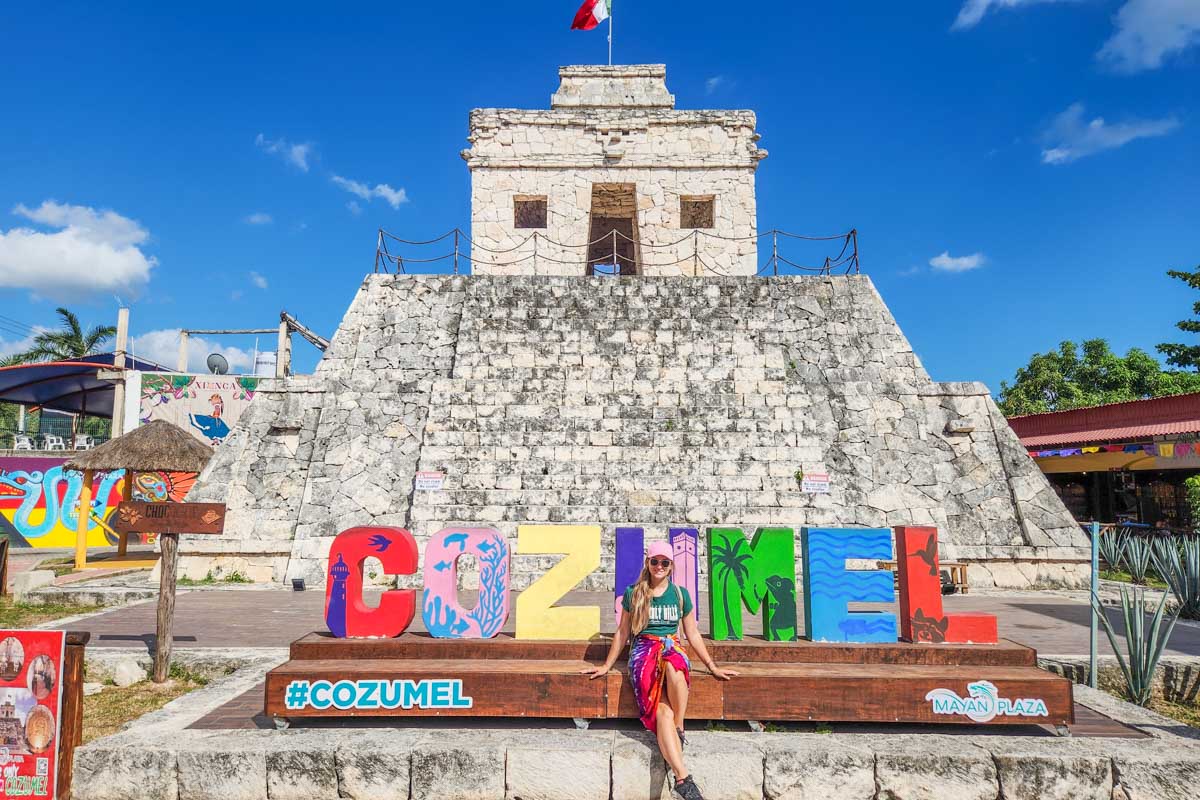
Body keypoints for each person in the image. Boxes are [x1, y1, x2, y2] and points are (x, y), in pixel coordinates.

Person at [584, 542, 737, 800]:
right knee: (662, 702)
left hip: (670, 647)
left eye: (665, 563)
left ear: (671, 566)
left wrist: (712, 666)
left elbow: (692, 633)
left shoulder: (679, 594)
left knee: (673, 668)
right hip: (643, 651)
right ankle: (682, 773)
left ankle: (679, 736)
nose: (659, 567)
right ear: (648, 563)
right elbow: (622, 632)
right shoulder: (634, 593)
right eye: (655, 561)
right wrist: (607, 665)